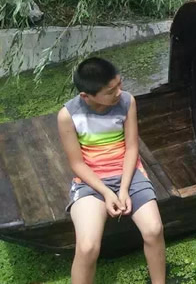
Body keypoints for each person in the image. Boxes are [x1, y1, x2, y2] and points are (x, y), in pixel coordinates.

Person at [57, 57, 166, 284]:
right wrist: (107, 193)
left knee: (154, 230)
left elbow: (132, 147)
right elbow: (77, 164)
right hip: (91, 182)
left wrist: (123, 189)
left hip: (129, 174)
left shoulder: (127, 101)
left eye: (119, 84)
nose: (119, 92)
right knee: (87, 247)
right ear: (86, 96)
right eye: (110, 91)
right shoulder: (68, 115)